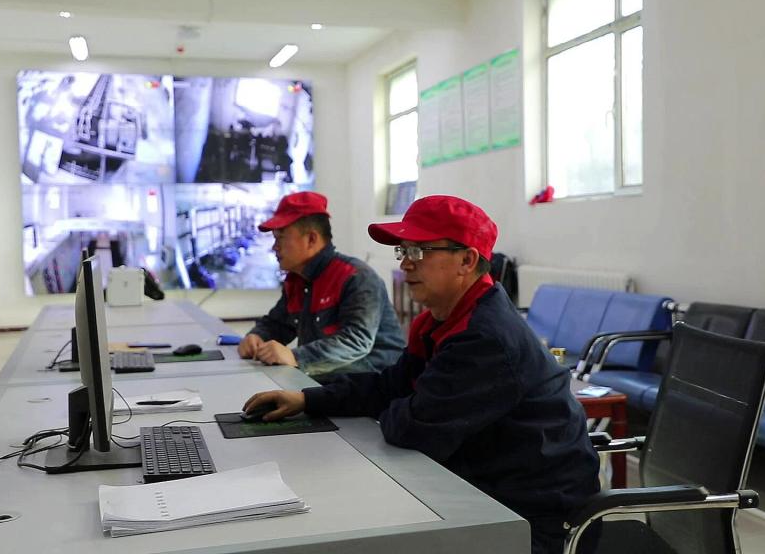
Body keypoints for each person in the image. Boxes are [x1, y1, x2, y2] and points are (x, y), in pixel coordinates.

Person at [244, 195, 600, 554]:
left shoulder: (485, 337)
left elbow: (413, 429)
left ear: (467, 260)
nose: (406, 264)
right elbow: (389, 386)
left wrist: (402, 405)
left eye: (419, 251)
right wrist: (306, 399)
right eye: (403, 251)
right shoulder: (439, 321)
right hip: (479, 490)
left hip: (532, 521)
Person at [239, 191, 405, 382]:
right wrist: (257, 337)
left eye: (280, 238)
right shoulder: (297, 280)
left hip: (373, 386)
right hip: (327, 384)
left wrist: (295, 357)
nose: (274, 247)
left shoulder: (356, 277)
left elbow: (356, 341)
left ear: (311, 239)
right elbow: (278, 323)